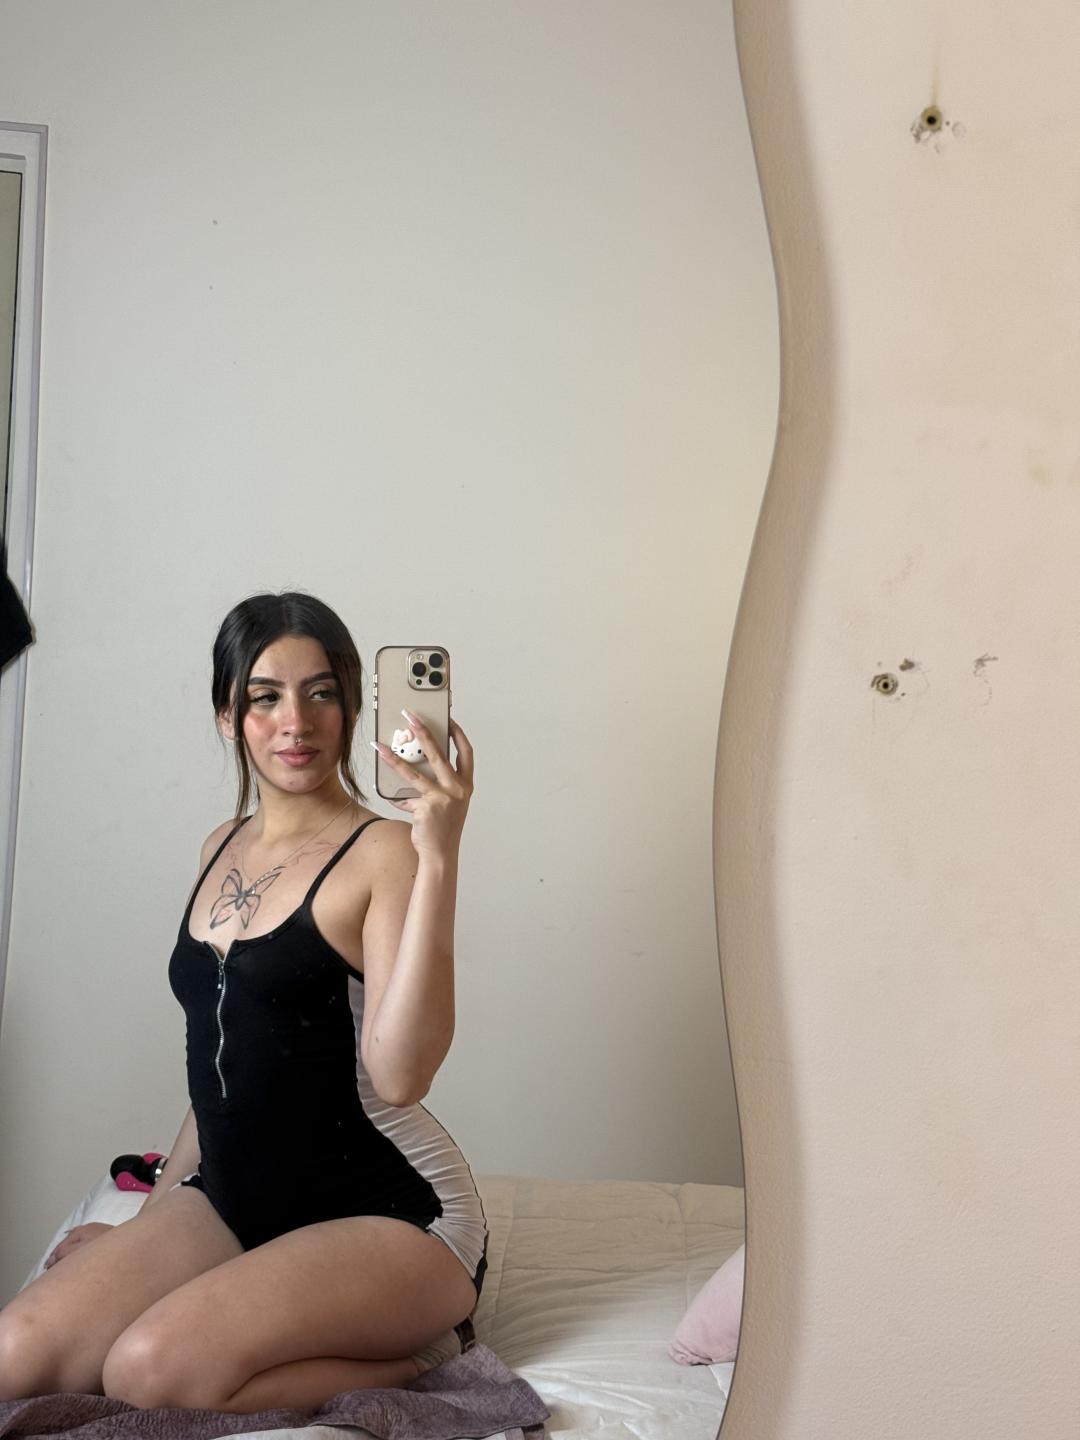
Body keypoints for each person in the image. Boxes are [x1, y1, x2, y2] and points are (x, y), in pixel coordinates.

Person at [0, 592, 487, 1412]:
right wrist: (149, 1223)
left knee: (148, 1372)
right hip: (234, 1199)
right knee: (14, 1354)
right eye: (265, 696)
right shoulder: (217, 846)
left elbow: (401, 1078)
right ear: (229, 715)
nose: (296, 721)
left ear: (352, 706)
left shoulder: (387, 851)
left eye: (321, 692)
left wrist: (440, 853)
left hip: (390, 1213)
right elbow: (221, 1061)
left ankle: (429, 1361)